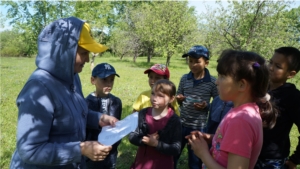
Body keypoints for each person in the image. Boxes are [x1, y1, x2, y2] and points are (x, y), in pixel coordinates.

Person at [10, 17, 118, 169]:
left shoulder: (72, 77)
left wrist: (100, 118)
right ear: (65, 50)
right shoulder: (39, 88)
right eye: (83, 52)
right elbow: (30, 150)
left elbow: (74, 114)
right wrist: (80, 149)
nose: (87, 59)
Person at [187, 49, 278, 169]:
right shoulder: (243, 111)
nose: (217, 82)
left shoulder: (241, 120)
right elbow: (229, 142)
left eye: (222, 77)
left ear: (242, 85)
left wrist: (203, 153)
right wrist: (210, 138)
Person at [255, 47, 300, 169]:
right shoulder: (260, 88)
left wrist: (295, 160)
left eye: (278, 66)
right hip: (250, 153)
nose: (270, 68)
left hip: (272, 160)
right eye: (270, 62)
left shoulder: (293, 97)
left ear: (290, 74)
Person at [174, 45, 218, 169]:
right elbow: (179, 100)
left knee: (195, 161)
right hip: (181, 124)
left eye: (197, 61)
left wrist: (206, 106)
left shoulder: (212, 82)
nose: (193, 64)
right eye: (190, 61)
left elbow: (218, 105)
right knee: (173, 154)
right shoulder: (184, 79)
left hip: (199, 128)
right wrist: (179, 99)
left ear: (206, 63)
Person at [128, 79, 182, 169]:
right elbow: (132, 136)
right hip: (142, 163)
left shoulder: (175, 121)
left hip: (163, 164)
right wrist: (145, 141)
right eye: (153, 93)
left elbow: (176, 148)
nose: (154, 98)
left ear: (172, 99)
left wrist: (156, 144)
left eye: (160, 96)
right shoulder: (143, 113)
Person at [85, 63, 122, 169]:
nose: (109, 83)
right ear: (93, 80)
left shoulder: (116, 102)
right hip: (92, 153)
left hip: (110, 153)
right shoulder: (86, 103)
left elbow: (118, 126)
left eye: (112, 79)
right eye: (104, 80)